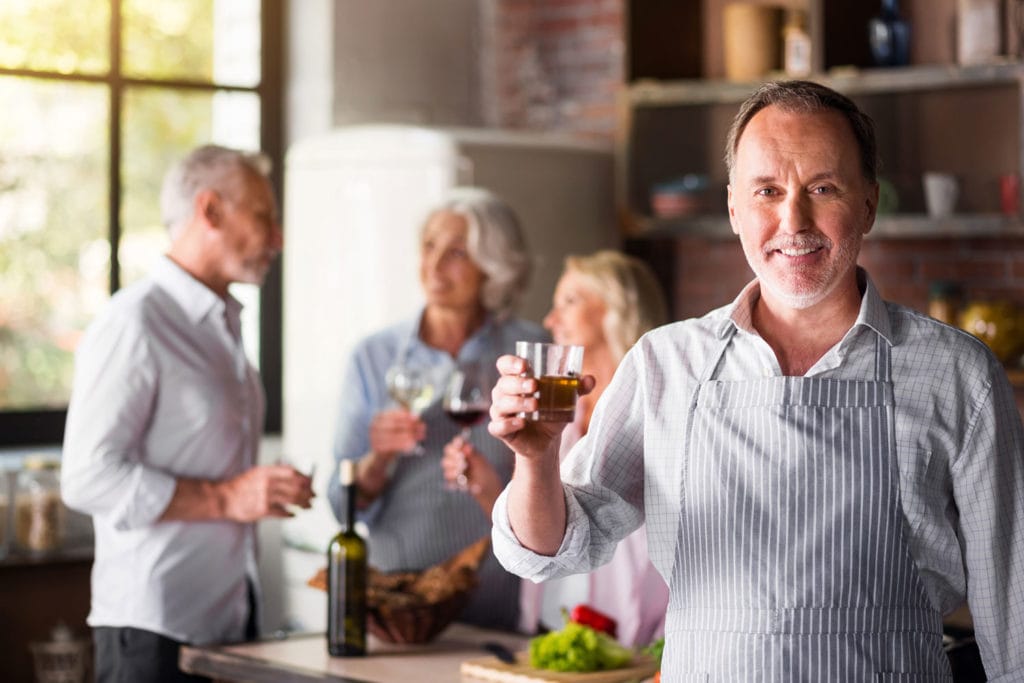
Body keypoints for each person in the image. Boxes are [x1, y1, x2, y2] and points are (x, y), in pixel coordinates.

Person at [487, 80, 1024, 679]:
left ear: (869, 203)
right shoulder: (665, 364)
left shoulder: (957, 373)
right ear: (734, 208)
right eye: (767, 190)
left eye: (823, 188)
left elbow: (1014, 598)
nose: (793, 220)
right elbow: (553, 551)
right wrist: (535, 460)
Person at [61, 145, 314, 683]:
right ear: (211, 211)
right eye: (265, 216)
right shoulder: (136, 322)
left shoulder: (221, 325)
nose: (279, 238)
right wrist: (227, 498)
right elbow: (86, 477)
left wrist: (260, 490)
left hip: (226, 623)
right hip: (152, 635)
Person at [327, 187, 547, 632]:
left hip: (496, 607)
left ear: (492, 265)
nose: (433, 265)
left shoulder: (533, 350)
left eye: (457, 253)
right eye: (429, 246)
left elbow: (558, 482)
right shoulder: (375, 356)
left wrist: (494, 486)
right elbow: (341, 502)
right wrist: (379, 457)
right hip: (398, 611)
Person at [441, 249, 670, 645]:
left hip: (644, 638)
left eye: (569, 301)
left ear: (617, 306)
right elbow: (551, 532)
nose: (550, 320)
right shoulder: (557, 410)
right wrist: (491, 490)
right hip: (556, 627)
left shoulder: (663, 406)